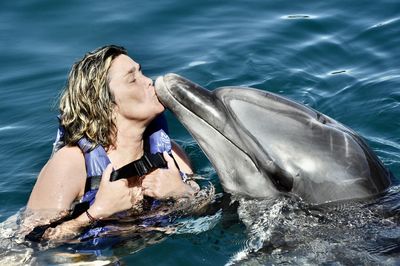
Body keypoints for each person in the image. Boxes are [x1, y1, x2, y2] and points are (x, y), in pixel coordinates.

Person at [24, 45, 199, 241]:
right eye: (133, 79)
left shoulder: (172, 156)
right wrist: (97, 212)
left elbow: (206, 213)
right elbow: (29, 243)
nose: (149, 81)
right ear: (105, 105)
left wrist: (182, 192)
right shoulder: (71, 163)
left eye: (142, 73)